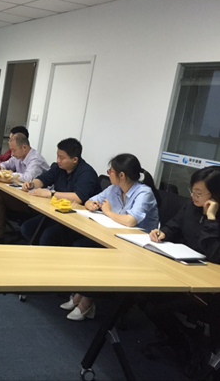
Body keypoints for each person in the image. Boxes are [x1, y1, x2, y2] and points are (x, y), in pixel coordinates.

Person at [62, 153, 160, 321]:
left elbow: (130, 221)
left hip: (137, 247)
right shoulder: (114, 188)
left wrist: (107, 212)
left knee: (92, 253)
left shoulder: (144, 193)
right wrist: (91, 205)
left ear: (121, 175)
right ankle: (81, 294)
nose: (108, 174)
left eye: (110, 171)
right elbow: (89, 200)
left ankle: (87, 301)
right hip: (115, 237)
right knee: (81, 245)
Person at [140, 166, 220, 371]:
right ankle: (180, 337)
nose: (193, 196)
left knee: (153, 305)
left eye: (199, 193)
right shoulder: (191, 207)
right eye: (192, 190)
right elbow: (174, 225)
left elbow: (214, 253)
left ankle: (183, 342)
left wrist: (211, 218)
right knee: (141, 294)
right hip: (182, 270)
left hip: (208, 287)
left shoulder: (215, 216)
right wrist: (162, 233)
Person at [20, 138, 101, 245]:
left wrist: (51, 194)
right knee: (27, 228)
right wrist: (32, 184)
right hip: (58, 212)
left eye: (62, 158)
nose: (58, 160)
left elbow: (79, 198)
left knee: (48, 237)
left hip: (78, 219)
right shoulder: (59, 167)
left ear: (75, 159)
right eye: (57, 156)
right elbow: (44, 179)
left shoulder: (86, 173)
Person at [0, 134, 49, 244]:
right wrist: (1, 167)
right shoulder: (19, 156)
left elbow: (28, 178)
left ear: (24, 147)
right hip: (21, 194)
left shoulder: (35, 160)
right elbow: (6, 164)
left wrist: (10, 174)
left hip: (34, 202)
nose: (12, 154)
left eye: (14, 150)